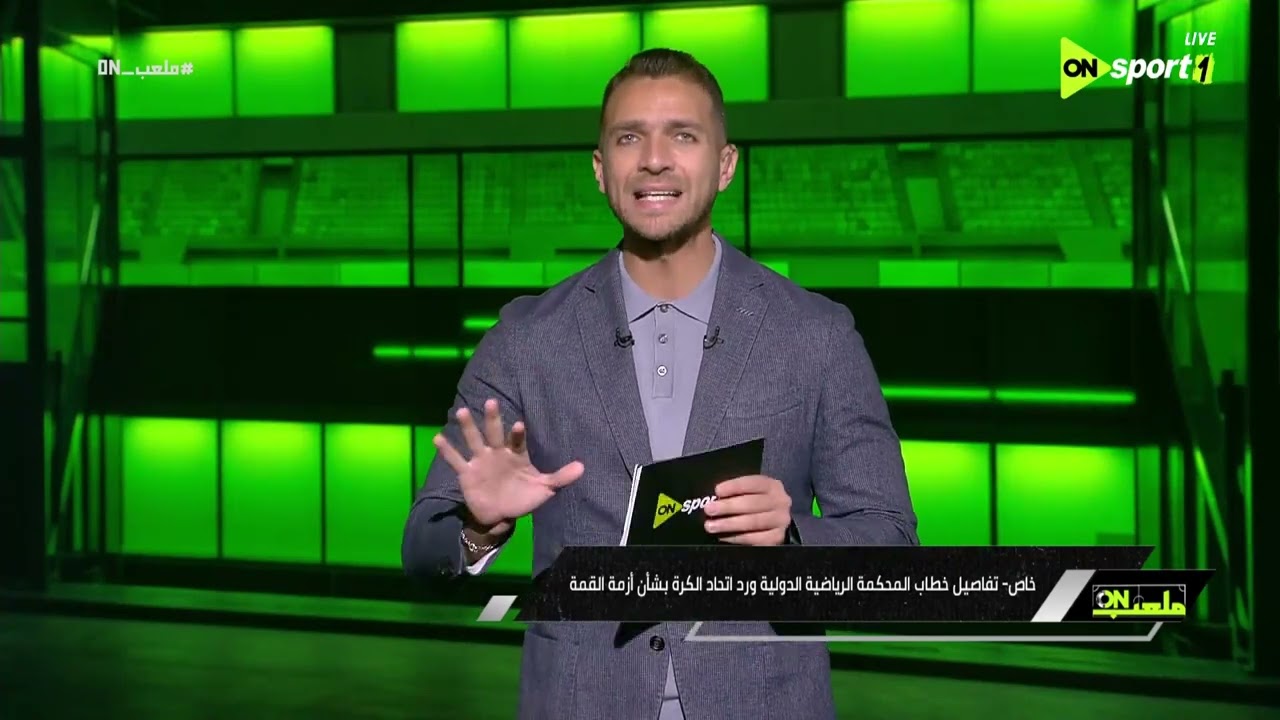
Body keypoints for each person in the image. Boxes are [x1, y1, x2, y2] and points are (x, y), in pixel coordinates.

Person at [401, 48, 918, 720]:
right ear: (600, 170)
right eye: (629, 138)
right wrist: (480, 523)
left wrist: (792, 537)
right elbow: (423, 550)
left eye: (682, 136)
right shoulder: (525, 337)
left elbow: (893, 555)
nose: (653, 160)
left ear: (725, 165)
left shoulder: (817, 334)